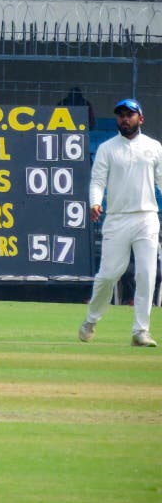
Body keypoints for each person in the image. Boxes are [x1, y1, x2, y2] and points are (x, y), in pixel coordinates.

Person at [79, 98, 162, 347]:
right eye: (121, 115)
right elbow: (97, 181)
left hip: (147, 217)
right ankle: (91, 320)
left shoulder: (154, 147)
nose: (125, 119)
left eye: (130, 115)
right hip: (116, 219)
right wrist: (95, 202)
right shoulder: (107, 148)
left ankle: (140, 331)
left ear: (141, 119)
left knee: (146, 273)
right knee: (108, 275)